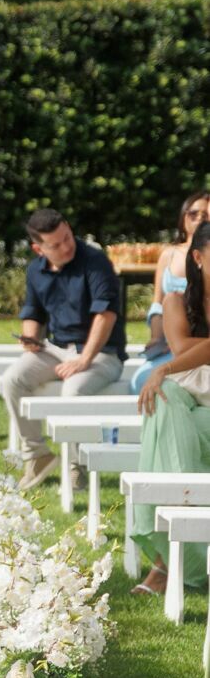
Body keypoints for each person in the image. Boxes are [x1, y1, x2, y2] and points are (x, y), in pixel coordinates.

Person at [0, 209, 126, 493]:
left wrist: (85, 359)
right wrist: (30, 338)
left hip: (103, 354)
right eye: (55, 244)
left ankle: (77, 465)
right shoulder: (35, 270)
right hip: (55, 349)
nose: (66, 246)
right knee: (11, 380)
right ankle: (37, 455)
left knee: (73, 391)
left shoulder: (95, 262)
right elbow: (33, 312)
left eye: (67, 237)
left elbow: (105, 315)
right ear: (38, 248)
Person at [133, 219, 210, 594]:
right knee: (162, 404)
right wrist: (168, 368)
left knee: (163, 412)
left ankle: (166, 563)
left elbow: (185, 353)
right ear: (197, 256)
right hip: (189, 396)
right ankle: (182, 547)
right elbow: (183, 350)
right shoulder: (175, 300)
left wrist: (162, 368)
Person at [130, 190, 210, 395]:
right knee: (149, 382)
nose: (200, 218)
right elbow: (158, 303)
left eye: (205, 214)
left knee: (165, 386)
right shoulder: (170, 254)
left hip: (188, 346)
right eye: (194, 213)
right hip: (174, 334)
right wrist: (157, 337)